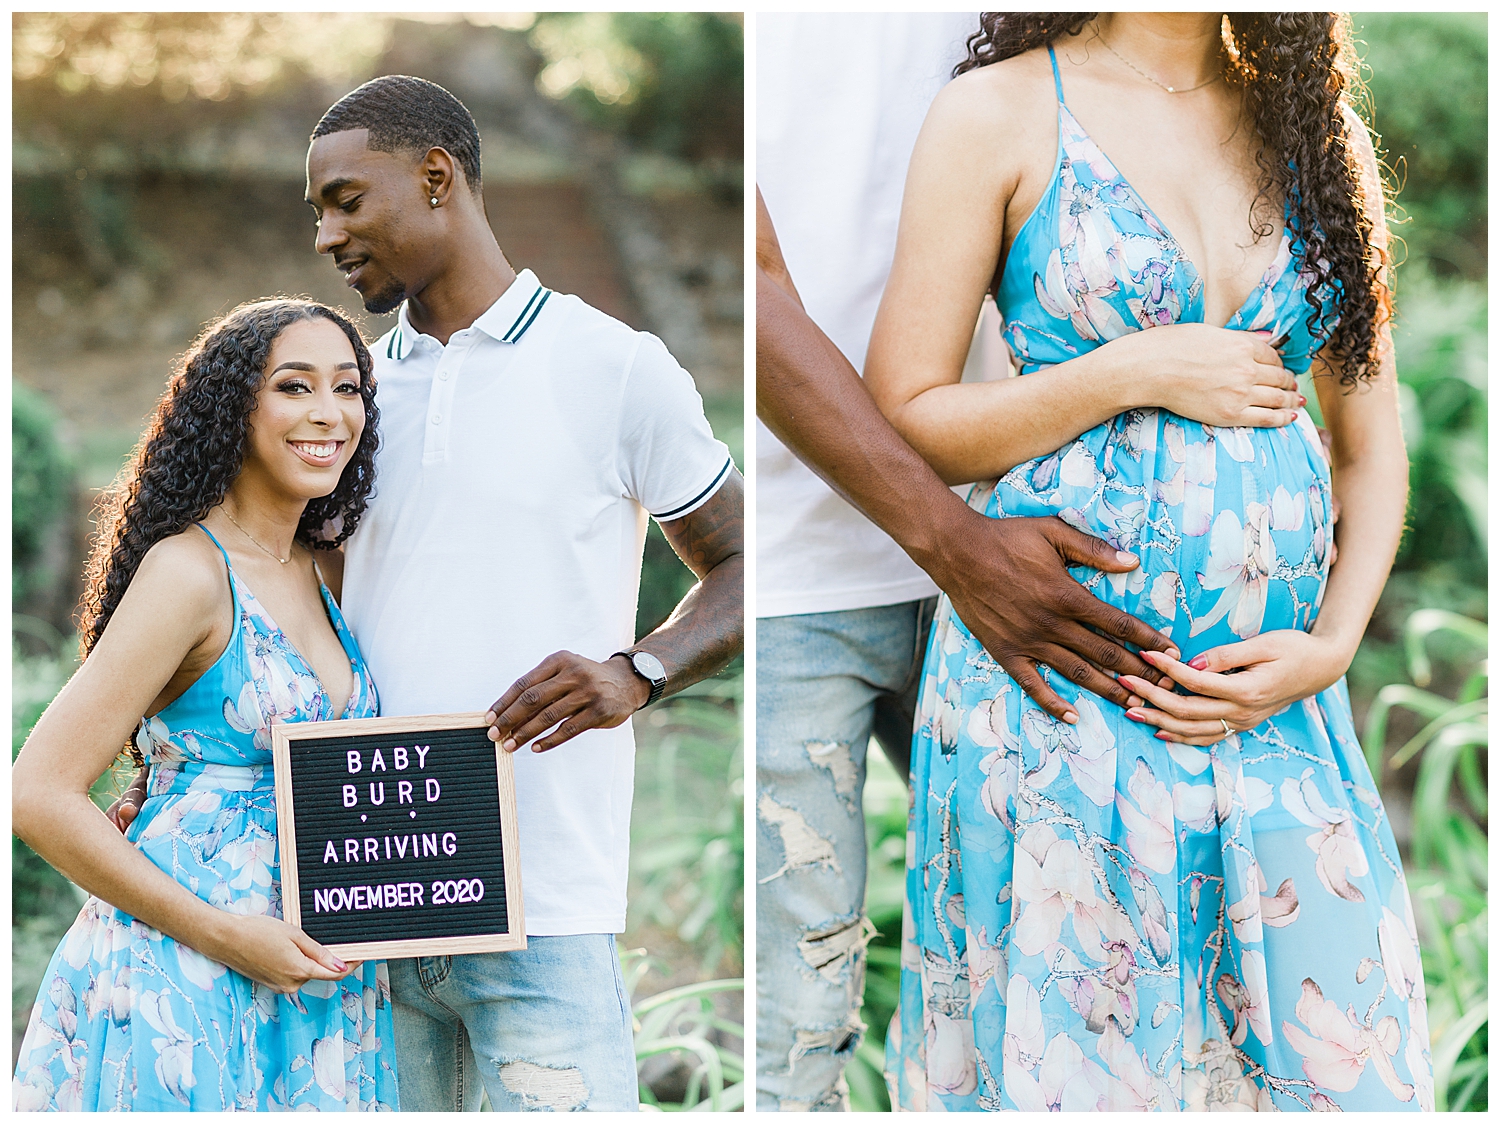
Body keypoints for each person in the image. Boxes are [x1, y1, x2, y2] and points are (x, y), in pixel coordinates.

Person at [866, 13, 1431, 1111]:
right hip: (1063, 697)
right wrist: (1131, 369)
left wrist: (1330, 650)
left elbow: (1372, 448)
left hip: (1272, 708)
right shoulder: (999, 112)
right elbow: (911, 413)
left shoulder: (1316, 131)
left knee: (1335, 1066)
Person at [756, 13, 1190, 1111]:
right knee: (792, 1036)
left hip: (1046, 549)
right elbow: (753, 286)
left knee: (1082, 992)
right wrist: (956, 545)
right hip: (807, 572)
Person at [305, 76, 741, 1112]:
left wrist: (639, 670)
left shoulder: (615, 368)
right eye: (317, 212)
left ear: (437, 176)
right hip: (364, 901)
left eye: (346, 201)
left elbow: (743, 561)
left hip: (545, 911)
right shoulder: (345, 400)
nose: (326, 236)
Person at [12, 300, 398, 1110]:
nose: (329, 413)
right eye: (294, 387)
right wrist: (228, 937)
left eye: (348, 388)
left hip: (315, 976)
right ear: (233, 409)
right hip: (185, 975)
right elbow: (38, 794)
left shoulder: (321, 568)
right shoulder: (189, 571)